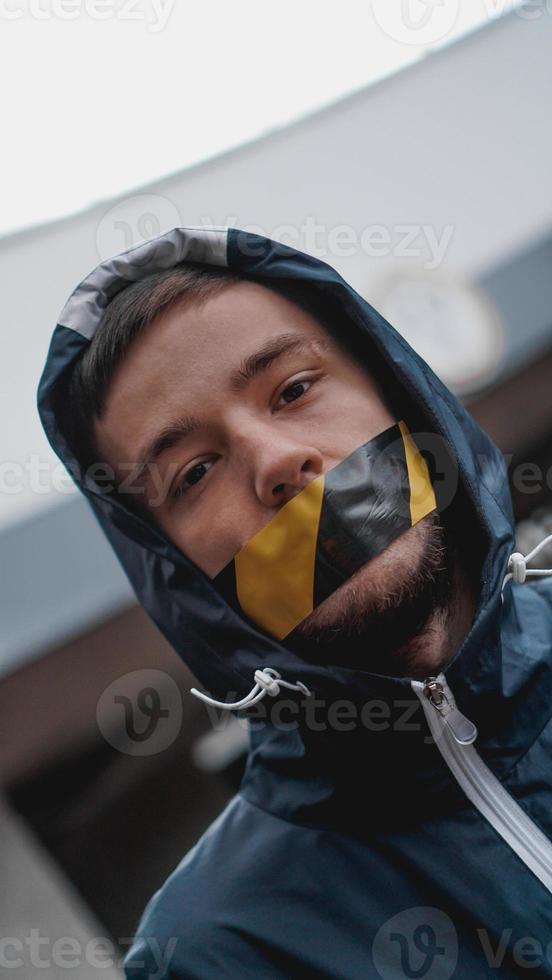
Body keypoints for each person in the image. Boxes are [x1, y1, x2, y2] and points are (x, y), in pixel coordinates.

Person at [38, 226, 552, 979]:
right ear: (178, 574)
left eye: (293, 389)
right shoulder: (218, 952)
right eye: (194, 472)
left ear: (398, 391)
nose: (279, 463)